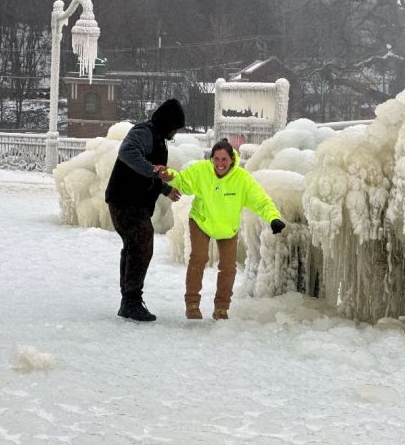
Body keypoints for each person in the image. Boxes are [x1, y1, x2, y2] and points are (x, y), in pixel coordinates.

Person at [159, 138, 285, 320]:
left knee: (228, 267)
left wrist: (273, 218)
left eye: (224, 159)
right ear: (212, 159)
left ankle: (221, 308)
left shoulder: (242, 179)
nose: (219, 164)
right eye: (216, 159)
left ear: (232, 160)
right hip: (201, 221)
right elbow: (183, 182)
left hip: (227, 228)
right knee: (199, 258)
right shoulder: (201, 170)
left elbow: (261, 201)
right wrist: (169, 175)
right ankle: (192, 304)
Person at [105, 98, 184, 322]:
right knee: (141, 246)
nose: (176, 132)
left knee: (134, 247)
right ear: (168, 122)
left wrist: (164, 188)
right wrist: (154, 171)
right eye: (176, 126)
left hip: (131, 201)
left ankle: (128, 301)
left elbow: (147, 174)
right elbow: (127, 152)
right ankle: (130, 301)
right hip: (124, 201)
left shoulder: (157, 137)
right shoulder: (144, 132)